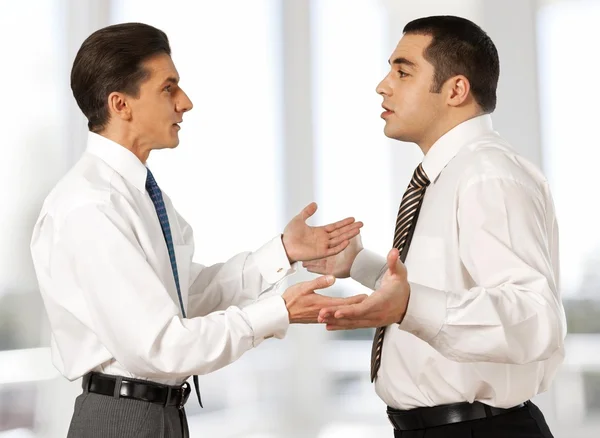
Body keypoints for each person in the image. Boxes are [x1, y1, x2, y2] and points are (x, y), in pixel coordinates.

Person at [30, 22, 366, 438]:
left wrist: (282, 252)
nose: (184, 102)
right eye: (168, 88)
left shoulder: (138, 194)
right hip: (123, 420)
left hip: (157, 414)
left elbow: (186, 299)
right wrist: (278, 312)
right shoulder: (91, 205)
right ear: (120, 104)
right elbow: (162, 346)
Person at [305, 15, 566, 438]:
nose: (382, 85)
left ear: (456, 90)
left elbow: (536, 319)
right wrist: (357, 264)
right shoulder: (448, 174)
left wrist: (407, 307)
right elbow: (439, 288)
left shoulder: (488, 173)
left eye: (402, 71)